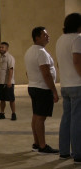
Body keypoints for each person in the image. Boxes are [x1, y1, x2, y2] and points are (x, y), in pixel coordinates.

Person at [24, 27, 59, 154]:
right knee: (40, 119)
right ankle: (43, 146)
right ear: (37, 37)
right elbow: (46, 74)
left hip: (33, 87)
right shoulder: (41, 52)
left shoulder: (29, 51)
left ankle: (36, 143)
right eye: (44, 35)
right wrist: (54, 90)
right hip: (42, 89)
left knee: (36, 116)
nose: (48, 36)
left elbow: (28, 72)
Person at [56, 13, 81, 164]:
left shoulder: (60, 39)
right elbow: (77, 62)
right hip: (77, 84)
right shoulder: (78, 38)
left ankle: (64, 152)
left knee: (66, 119)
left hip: (65, 85)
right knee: (77, 120)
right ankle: (78, 154)